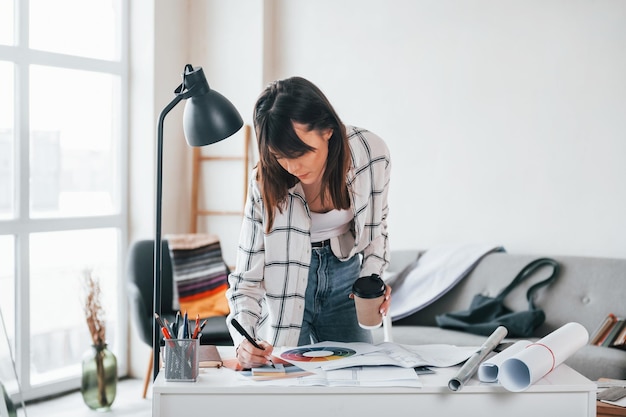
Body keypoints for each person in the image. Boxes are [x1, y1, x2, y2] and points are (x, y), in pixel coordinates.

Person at [226, 76, 392, 369]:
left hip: (346, 281)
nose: (292, 167)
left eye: (300, 153)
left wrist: (373, 279)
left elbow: (377, 227)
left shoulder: (372, 154)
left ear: (328, 130)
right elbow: (246, 280)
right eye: (279, 156)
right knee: (290, 391)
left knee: (358, 381)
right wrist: (244, 341)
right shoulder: (264, 181)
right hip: (287, 287)